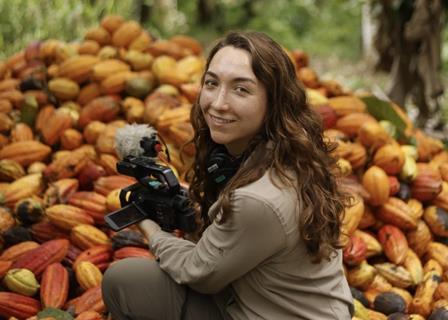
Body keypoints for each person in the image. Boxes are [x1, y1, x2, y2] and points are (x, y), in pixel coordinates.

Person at [102, 31, 354, 320]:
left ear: (274, 102)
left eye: (241, 90)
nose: (218, 103)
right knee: (131, 280)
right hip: (282, 305)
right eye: (212, 83)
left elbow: (198, 272)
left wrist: (150, 227)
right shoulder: (285, 155)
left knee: (124, 280)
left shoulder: (257, 199)